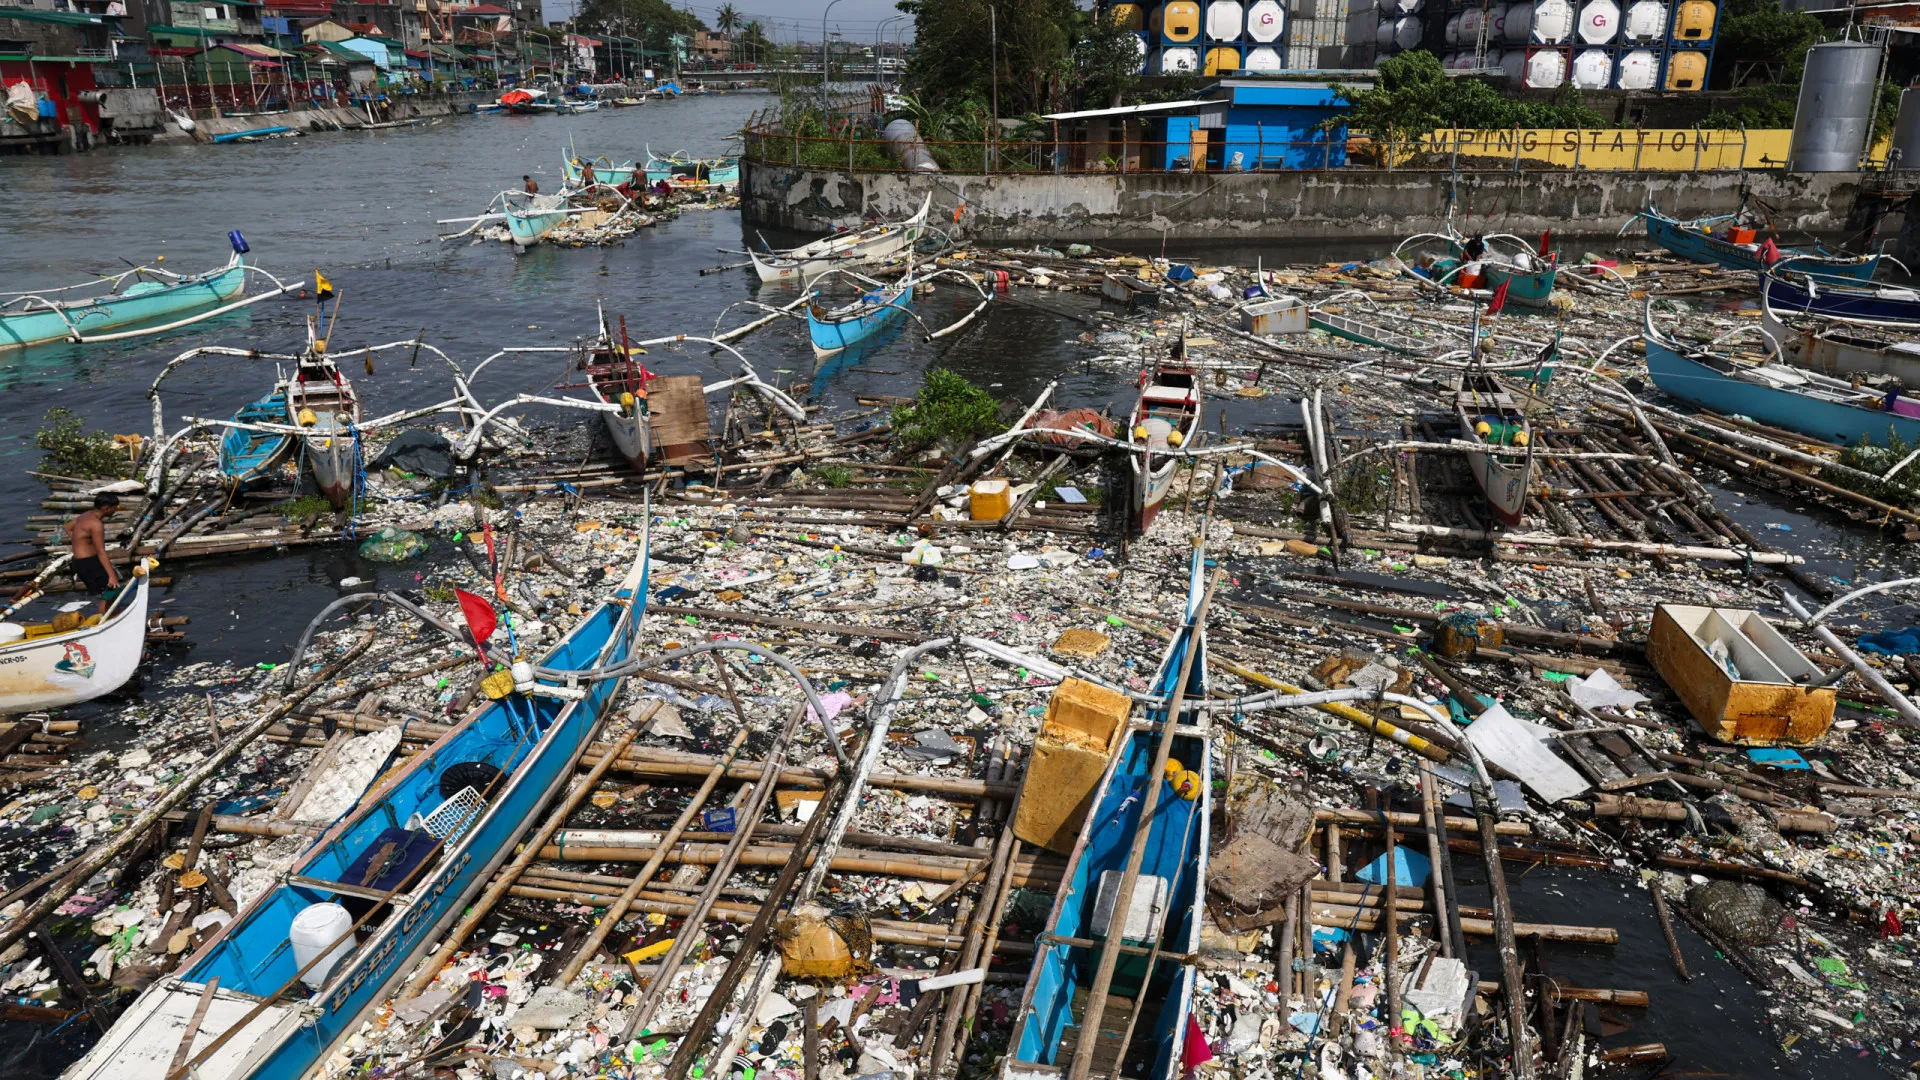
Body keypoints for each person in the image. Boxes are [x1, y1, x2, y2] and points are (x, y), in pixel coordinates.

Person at [68, 492, 120, 608]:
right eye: (114, 508)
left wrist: (80, 543)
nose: (115, 510)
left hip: (78, 562)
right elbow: (101, 551)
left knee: (105, 594)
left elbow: (67, 528)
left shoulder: (85, 515)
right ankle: (106, 621)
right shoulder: (96, 524)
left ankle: (106, 617)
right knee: (110, 593)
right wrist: (112, 576)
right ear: (106, 508)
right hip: (89, 563)